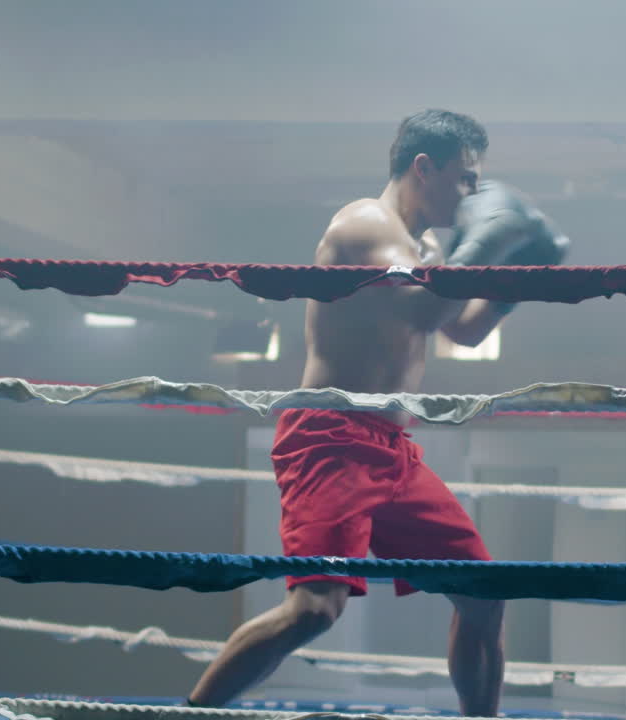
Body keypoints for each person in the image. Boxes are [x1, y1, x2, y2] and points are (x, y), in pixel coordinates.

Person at [187, 109, 568, 716]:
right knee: (314, 611)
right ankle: (188, 712)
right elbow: (422, 310)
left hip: (393, 451)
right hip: (331, 440)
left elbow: (463, 331)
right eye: (465, 177)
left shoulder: (426, 247)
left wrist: (523, 280)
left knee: (484, 591)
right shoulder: (364, 226)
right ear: (424, 167)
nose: (472, 193)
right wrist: (489, 244)